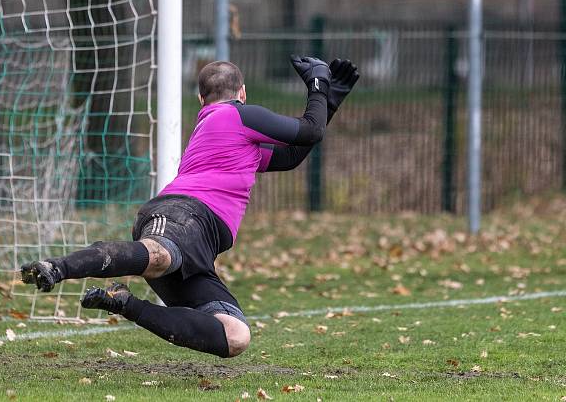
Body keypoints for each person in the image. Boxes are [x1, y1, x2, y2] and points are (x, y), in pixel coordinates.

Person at [21, 56, 359, 358]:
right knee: (158, 255)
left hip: (199, 246)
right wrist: (318, 85)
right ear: (242, 93)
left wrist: (328, 102)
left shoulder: (233, 135)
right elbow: (309, 131)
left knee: (234, 335)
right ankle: (58, 267)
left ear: (200, 99)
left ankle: (124, 303)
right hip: (183, 215)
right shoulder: (236, 115)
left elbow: (293, 155)